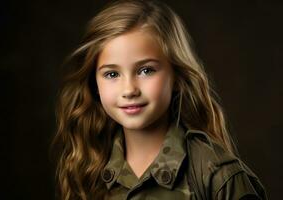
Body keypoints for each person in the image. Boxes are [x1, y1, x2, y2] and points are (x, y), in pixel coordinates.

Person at [52, 0, 268, 199]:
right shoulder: (88, 171)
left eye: (146, 70)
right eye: (112, 74)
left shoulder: (218, 176)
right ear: (95, 84)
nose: (129, 90)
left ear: (176, 76)